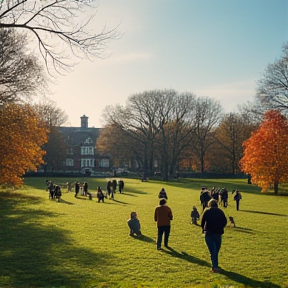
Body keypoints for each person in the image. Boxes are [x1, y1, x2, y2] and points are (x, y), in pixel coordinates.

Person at [201, 199, 227, 273]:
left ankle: (215, 266)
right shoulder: (220, 211)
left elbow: (203, 222)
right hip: (218, 233)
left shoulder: (207, 211)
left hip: (208, 233)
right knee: (216, 250)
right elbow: (224, 221)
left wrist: (203, 229)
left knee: (213, 251)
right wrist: (220, 227)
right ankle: (215, 266)